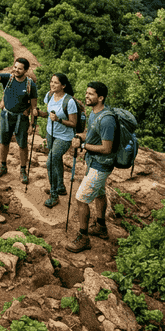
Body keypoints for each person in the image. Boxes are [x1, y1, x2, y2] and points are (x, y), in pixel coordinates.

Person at [66, 81, 115, 253]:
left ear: (100, 98)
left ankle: (83, 237)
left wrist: (83, 146)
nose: (86, 96)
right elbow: (92, 133)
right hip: (94, 162)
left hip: (101, 165)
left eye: (91, 94)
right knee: (99, 193)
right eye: (86, 93)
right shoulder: (94, 113)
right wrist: (81, 136)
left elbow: (107, 148)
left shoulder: (107, 119)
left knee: (81, 198)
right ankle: (101, 227)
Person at [0, 58, 38, 184]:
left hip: (22, 118)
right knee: (4, 142)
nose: (16, 70)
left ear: (26, 70)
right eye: (15, 67)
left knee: (22, 144)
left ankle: (23, 170)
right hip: (6, 115)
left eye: (20, 68)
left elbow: (33, 107)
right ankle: (3, 166)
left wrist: (32, 124)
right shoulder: (8, 78)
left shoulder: (30, 85)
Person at [35, 73, 77, 208]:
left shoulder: (69, 101)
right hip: (50, 133)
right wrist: (39, 113)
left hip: (64, 137)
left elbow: (74, 123)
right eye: (51, 81)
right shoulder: (49, 95)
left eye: (56, 83)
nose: (52, 84)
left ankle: (54, 195)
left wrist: (59, 120)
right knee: (56, 159)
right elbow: (48, 114)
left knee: (50, 162)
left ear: (63, 86)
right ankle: (60, 186)